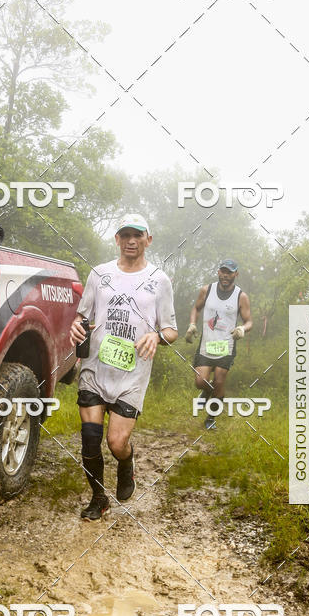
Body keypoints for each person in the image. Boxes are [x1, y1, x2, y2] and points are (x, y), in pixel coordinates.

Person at [69, 214, 178, 520]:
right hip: (95, 368)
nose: (131, 240)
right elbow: (82, 317)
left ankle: (126, 462)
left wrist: (157, 337)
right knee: (90, 438)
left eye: (138, 235)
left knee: (116, 442)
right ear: (117, 239)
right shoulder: (99, 274)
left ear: (148, 240)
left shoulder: (159, 280)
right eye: (125, 235)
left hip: (132, 375)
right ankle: (98, 498)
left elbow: (171, 330)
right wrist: (75, 328)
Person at [185, 259, 252, 429]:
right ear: (218, 272)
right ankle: (206, 391)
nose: (225, 275)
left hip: (226, 345)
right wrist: (192, 324)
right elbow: (196, 308)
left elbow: (249, 321)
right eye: (223, 271)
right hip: (207, 344)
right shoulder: (206, 290)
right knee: (200, 382)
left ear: (236, 274)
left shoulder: (241, 296)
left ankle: (210, 418)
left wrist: (242, 329)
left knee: (220, 381)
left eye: (229, 272)